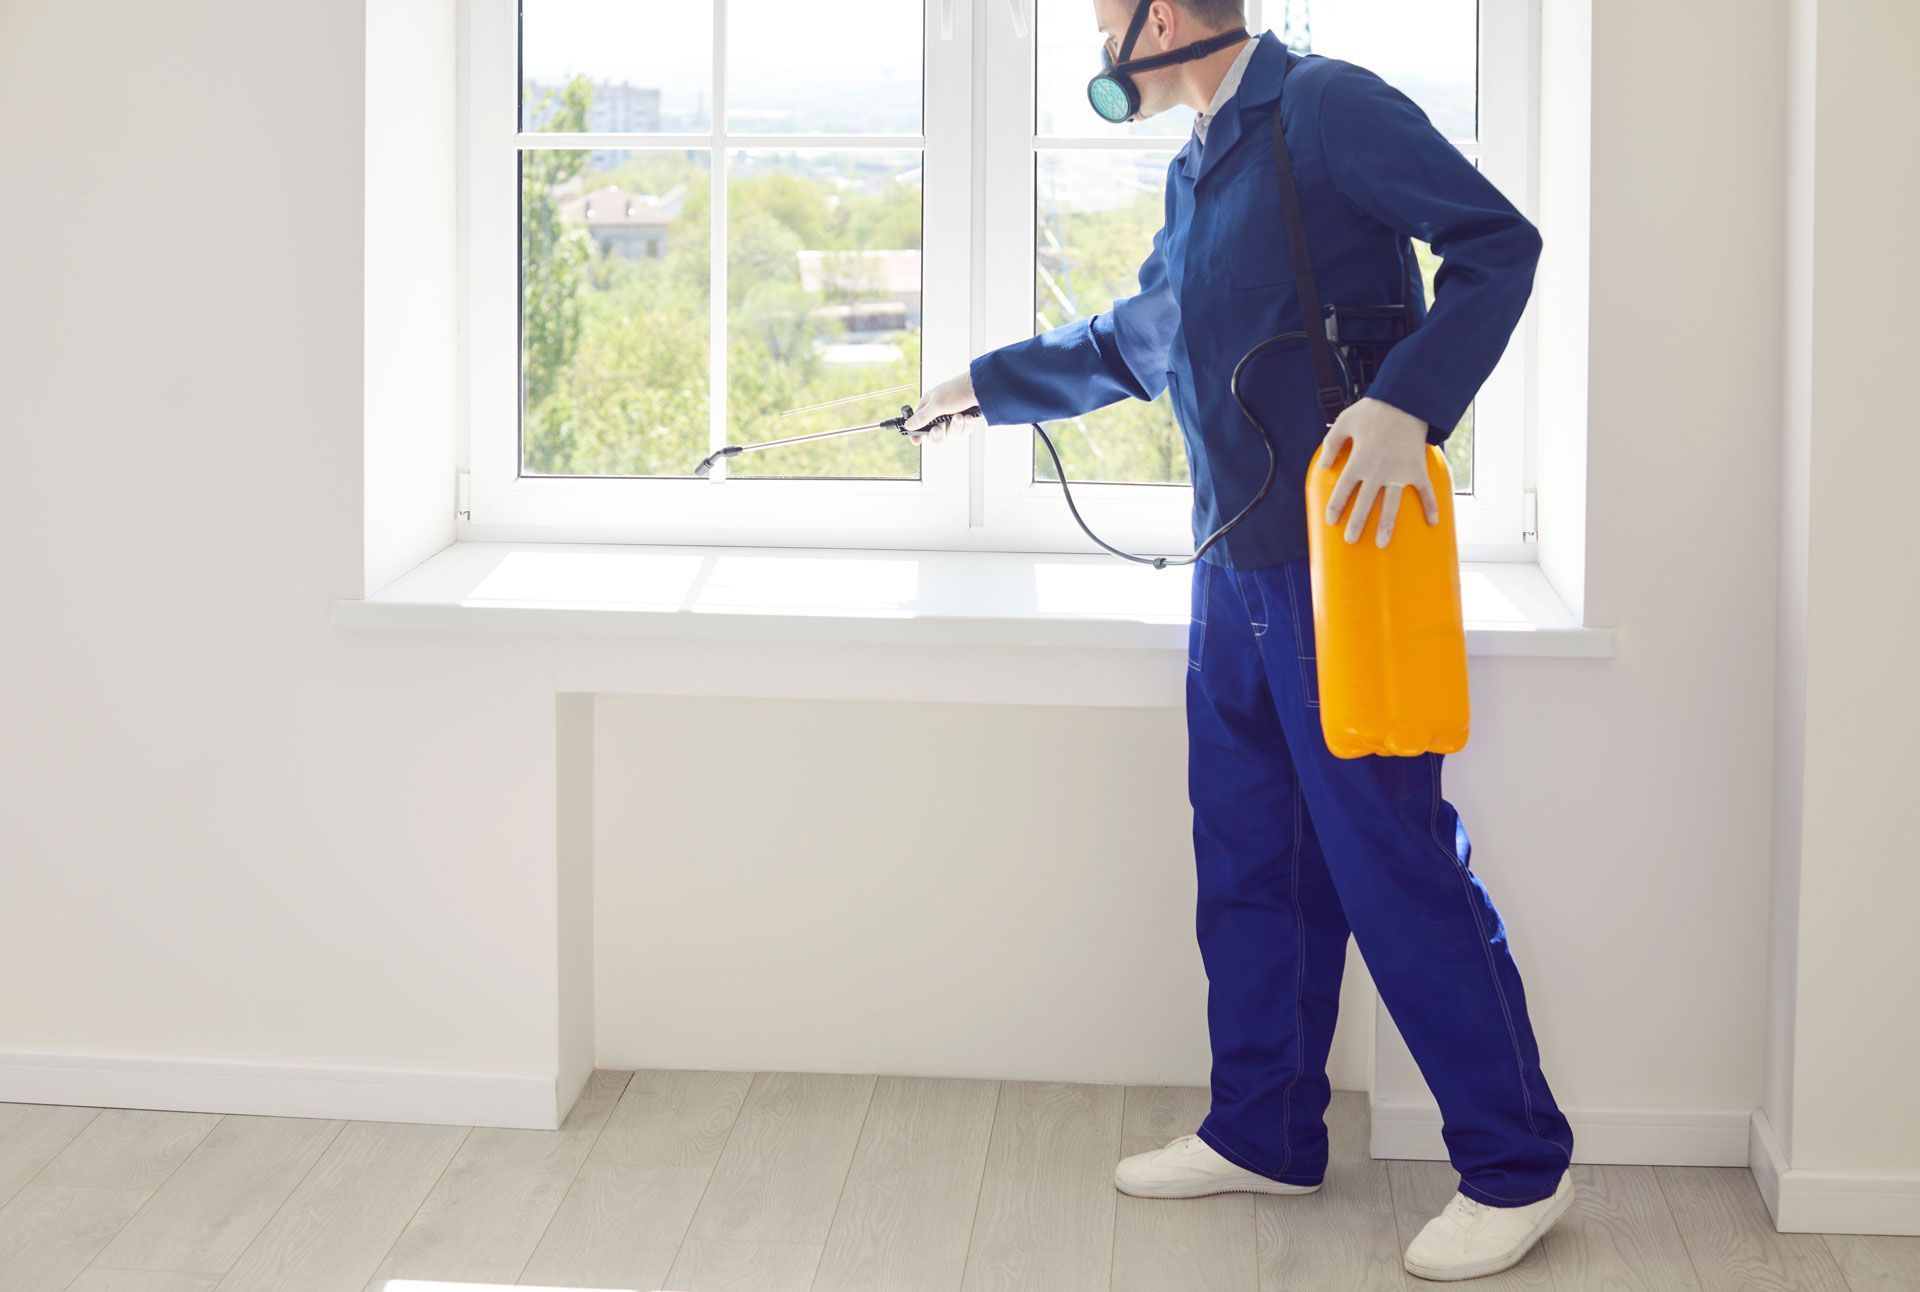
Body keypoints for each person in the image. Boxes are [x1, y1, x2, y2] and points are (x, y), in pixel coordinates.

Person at [904, 0, 1575, 1281]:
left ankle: (1517, 1165)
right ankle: (1264, 1128)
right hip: (1234, 570)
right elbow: (1143, 338)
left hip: (1340, 571)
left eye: (1104, 22)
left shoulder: (1326, 107)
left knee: (1393, 863)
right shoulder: (1200, 163)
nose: (1098, 51)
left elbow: (1498, 243)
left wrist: (1408, 403)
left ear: (1160, 17)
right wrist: (981, 388)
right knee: (1250, 860)